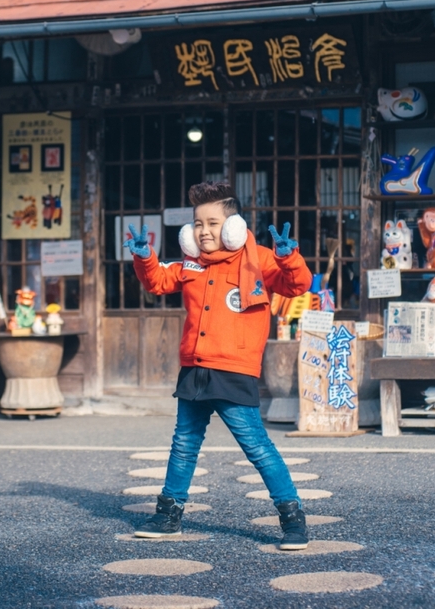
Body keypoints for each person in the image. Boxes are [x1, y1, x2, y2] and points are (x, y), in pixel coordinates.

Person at [123, 181, 313, 550]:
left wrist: (289, 257)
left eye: (212, 223)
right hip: (194, 368)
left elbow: (297, 286)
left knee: (256, 447)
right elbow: (158, 282)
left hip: (234, 369)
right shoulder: (191, 263)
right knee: (183, 444)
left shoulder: (258, 258)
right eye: (197, 224)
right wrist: (145, 257)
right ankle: (168, 515)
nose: (203, 231)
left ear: (233, 227)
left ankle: (293, 519)